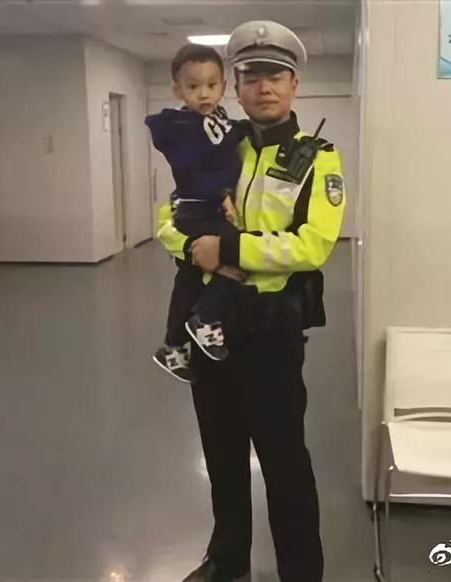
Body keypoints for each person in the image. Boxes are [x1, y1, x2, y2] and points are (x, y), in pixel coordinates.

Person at [156, 21, 347, 582]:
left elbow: (313, 245)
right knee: (221, 454)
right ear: (235, 87)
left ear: (293, 85)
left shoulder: (318, 157)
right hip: (211, 330)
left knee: (285, 462)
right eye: (252, 77)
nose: (265, 87)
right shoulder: (217, 147)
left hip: (272, 334)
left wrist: (231, 247)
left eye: (276, 76)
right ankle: (228, 560)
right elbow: (169, 217)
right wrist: (192, 247)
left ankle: (301, 572)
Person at [147, 44, 249, 383]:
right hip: (199, 209)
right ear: (178, 90)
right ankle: (205, 318)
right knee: (236, 259)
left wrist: (244, 130)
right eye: (193, 86)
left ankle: (173, 345)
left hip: (204, 206)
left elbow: (226, 138)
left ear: (223, 86)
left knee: (189, 279)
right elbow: (197, 171)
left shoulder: (214, 118)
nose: (203, 93)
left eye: (211, 85)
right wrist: (224, 196)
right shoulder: (182, 128)